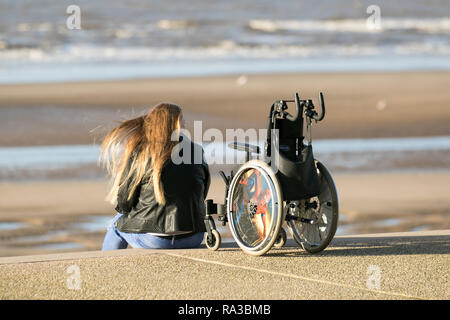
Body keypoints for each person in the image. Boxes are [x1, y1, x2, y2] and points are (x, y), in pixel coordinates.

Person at [100, 103, 210, 250]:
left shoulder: (143, 152)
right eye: (181, 120)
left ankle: (108, 269)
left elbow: (125, 202)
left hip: (154, 240)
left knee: (116, 224)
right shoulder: (196, 150)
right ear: (175, 125)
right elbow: (202, 192)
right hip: (193, 236)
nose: (185, 123)